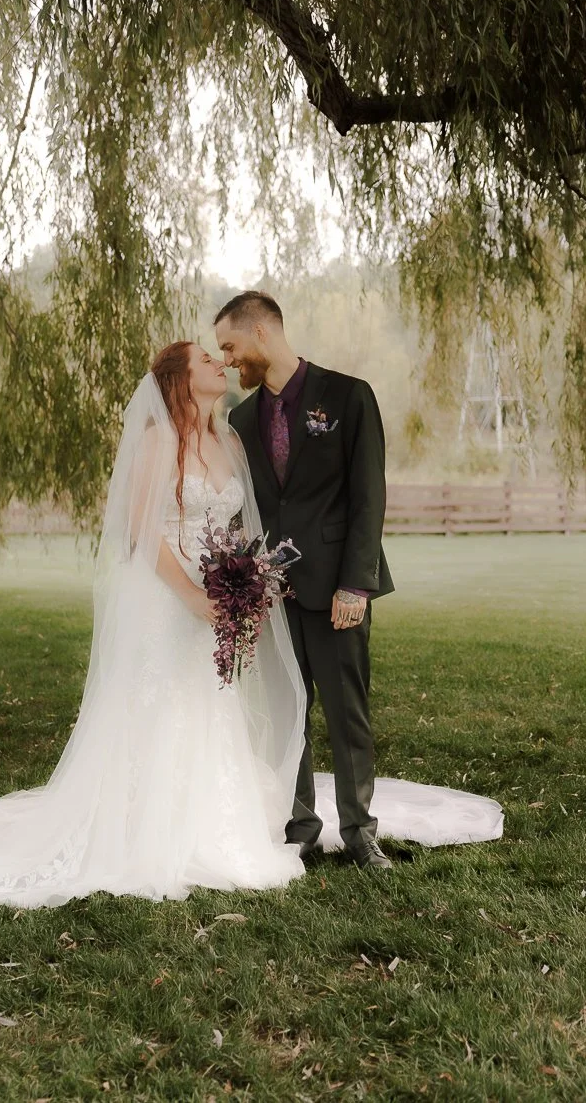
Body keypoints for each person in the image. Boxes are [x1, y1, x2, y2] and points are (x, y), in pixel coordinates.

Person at [0, 342, 308, 908]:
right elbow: (140, 533)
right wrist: (195, 597)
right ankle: (136, 829)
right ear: (179, 379)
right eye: (206, 359)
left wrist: (241, 581)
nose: (220, 364)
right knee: (154, 705)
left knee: (204, 703)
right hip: (164, 598)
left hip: (211, 600)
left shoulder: (228, 442)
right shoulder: (159, 441)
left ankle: (205, 825)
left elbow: (237, 526)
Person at [215, 290, 395, 869]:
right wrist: (242, 580)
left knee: (347, 712)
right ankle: (301, 825)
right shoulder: (240, 420)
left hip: (337, 589)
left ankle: (360, 830)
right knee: (289, 712)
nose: (228, 360)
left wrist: (356, 585)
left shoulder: (348, 396)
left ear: (262, 333)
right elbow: (247, 510)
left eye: (231, 346)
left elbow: (369, 497)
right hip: (274, 594)